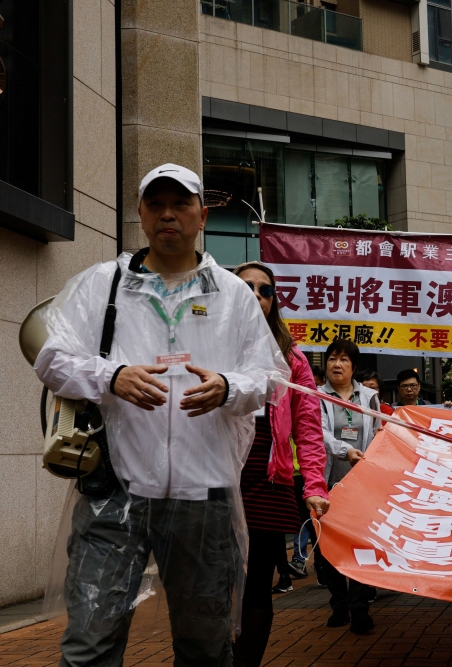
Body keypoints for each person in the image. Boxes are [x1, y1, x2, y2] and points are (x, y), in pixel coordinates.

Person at [36, 163, 289, 666]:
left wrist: (227, 387)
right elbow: (51, 357)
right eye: (156, 204)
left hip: (206, 497)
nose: (168, 214)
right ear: (140, 213)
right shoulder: (103, 284)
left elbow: (270, 377)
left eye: (181, 204)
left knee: (205, 648)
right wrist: (111, 376)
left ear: (202, 215)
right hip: (116, 492)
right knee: (89, 644)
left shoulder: (233, 295)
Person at [232, 262, 329, 667]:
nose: (256, 294)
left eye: (266, 290)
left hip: (267, 482)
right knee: (210, 584)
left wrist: (314, 488)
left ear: (274, 302)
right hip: (214, 478)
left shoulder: (293, 359)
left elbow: (308, 430)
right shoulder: (206, 342)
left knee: (256, 587)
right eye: (246, 287)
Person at [318, 339, 381, 634]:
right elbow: (318, 434)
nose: (337, 364)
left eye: (343, 359)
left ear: (354, 366)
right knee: (328, 549)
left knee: (360, 546)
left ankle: (359, 609)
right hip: (328, 484)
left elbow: (378, 434)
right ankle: (338, 603)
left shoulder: (369, 397)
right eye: (332, 358)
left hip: (362, 486)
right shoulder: (316, 396)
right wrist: (346, 451)